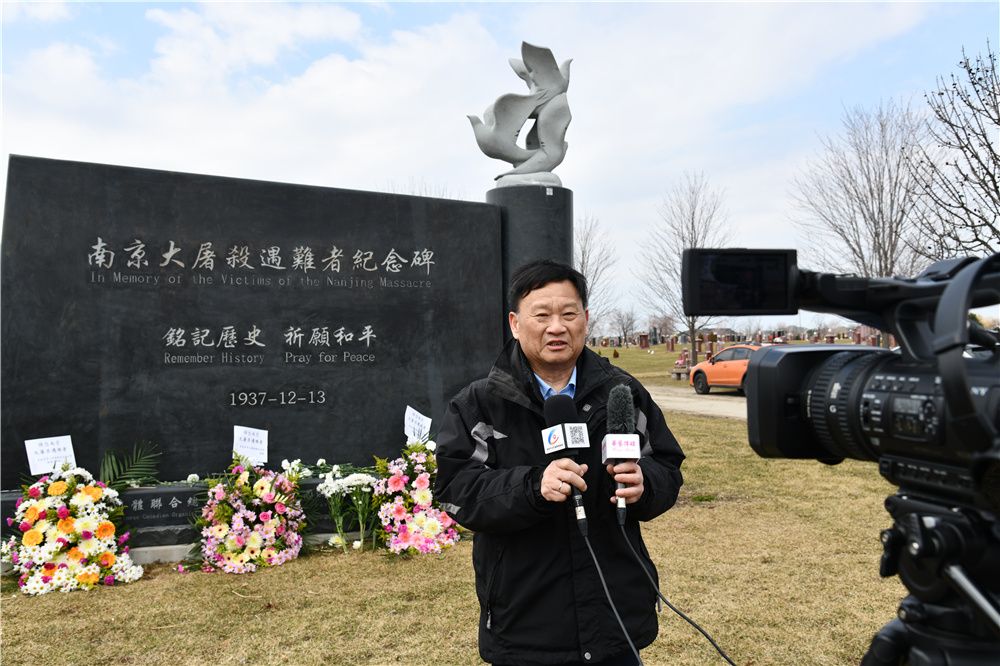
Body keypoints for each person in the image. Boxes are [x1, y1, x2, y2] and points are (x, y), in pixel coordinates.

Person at [435, 260, 686, 666]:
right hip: (526, 621)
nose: (557, 326)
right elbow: (455, 489)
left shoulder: (622, 392)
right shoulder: (479, 404)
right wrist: (533, 486)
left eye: (569, 314)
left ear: (585, 320)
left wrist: (646, 483)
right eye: (542, 315)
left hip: (615, 616)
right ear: (516, 324)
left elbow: (667, 466)